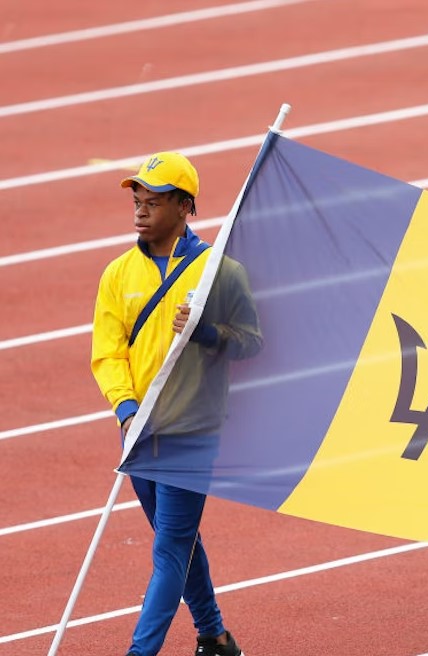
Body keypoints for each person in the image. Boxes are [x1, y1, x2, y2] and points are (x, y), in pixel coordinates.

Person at [92, 152, 261, 656]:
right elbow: (108, 354)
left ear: (185, 207)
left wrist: (205, 332)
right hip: (139, 431)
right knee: (181, 542)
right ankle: (214, 635)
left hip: (192, 430)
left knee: (169, 550)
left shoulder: (219, 271)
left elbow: (251, 342)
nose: (141, 211)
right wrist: (125, 410)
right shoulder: (118, 274)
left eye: (154, 201)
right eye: (137, 201)